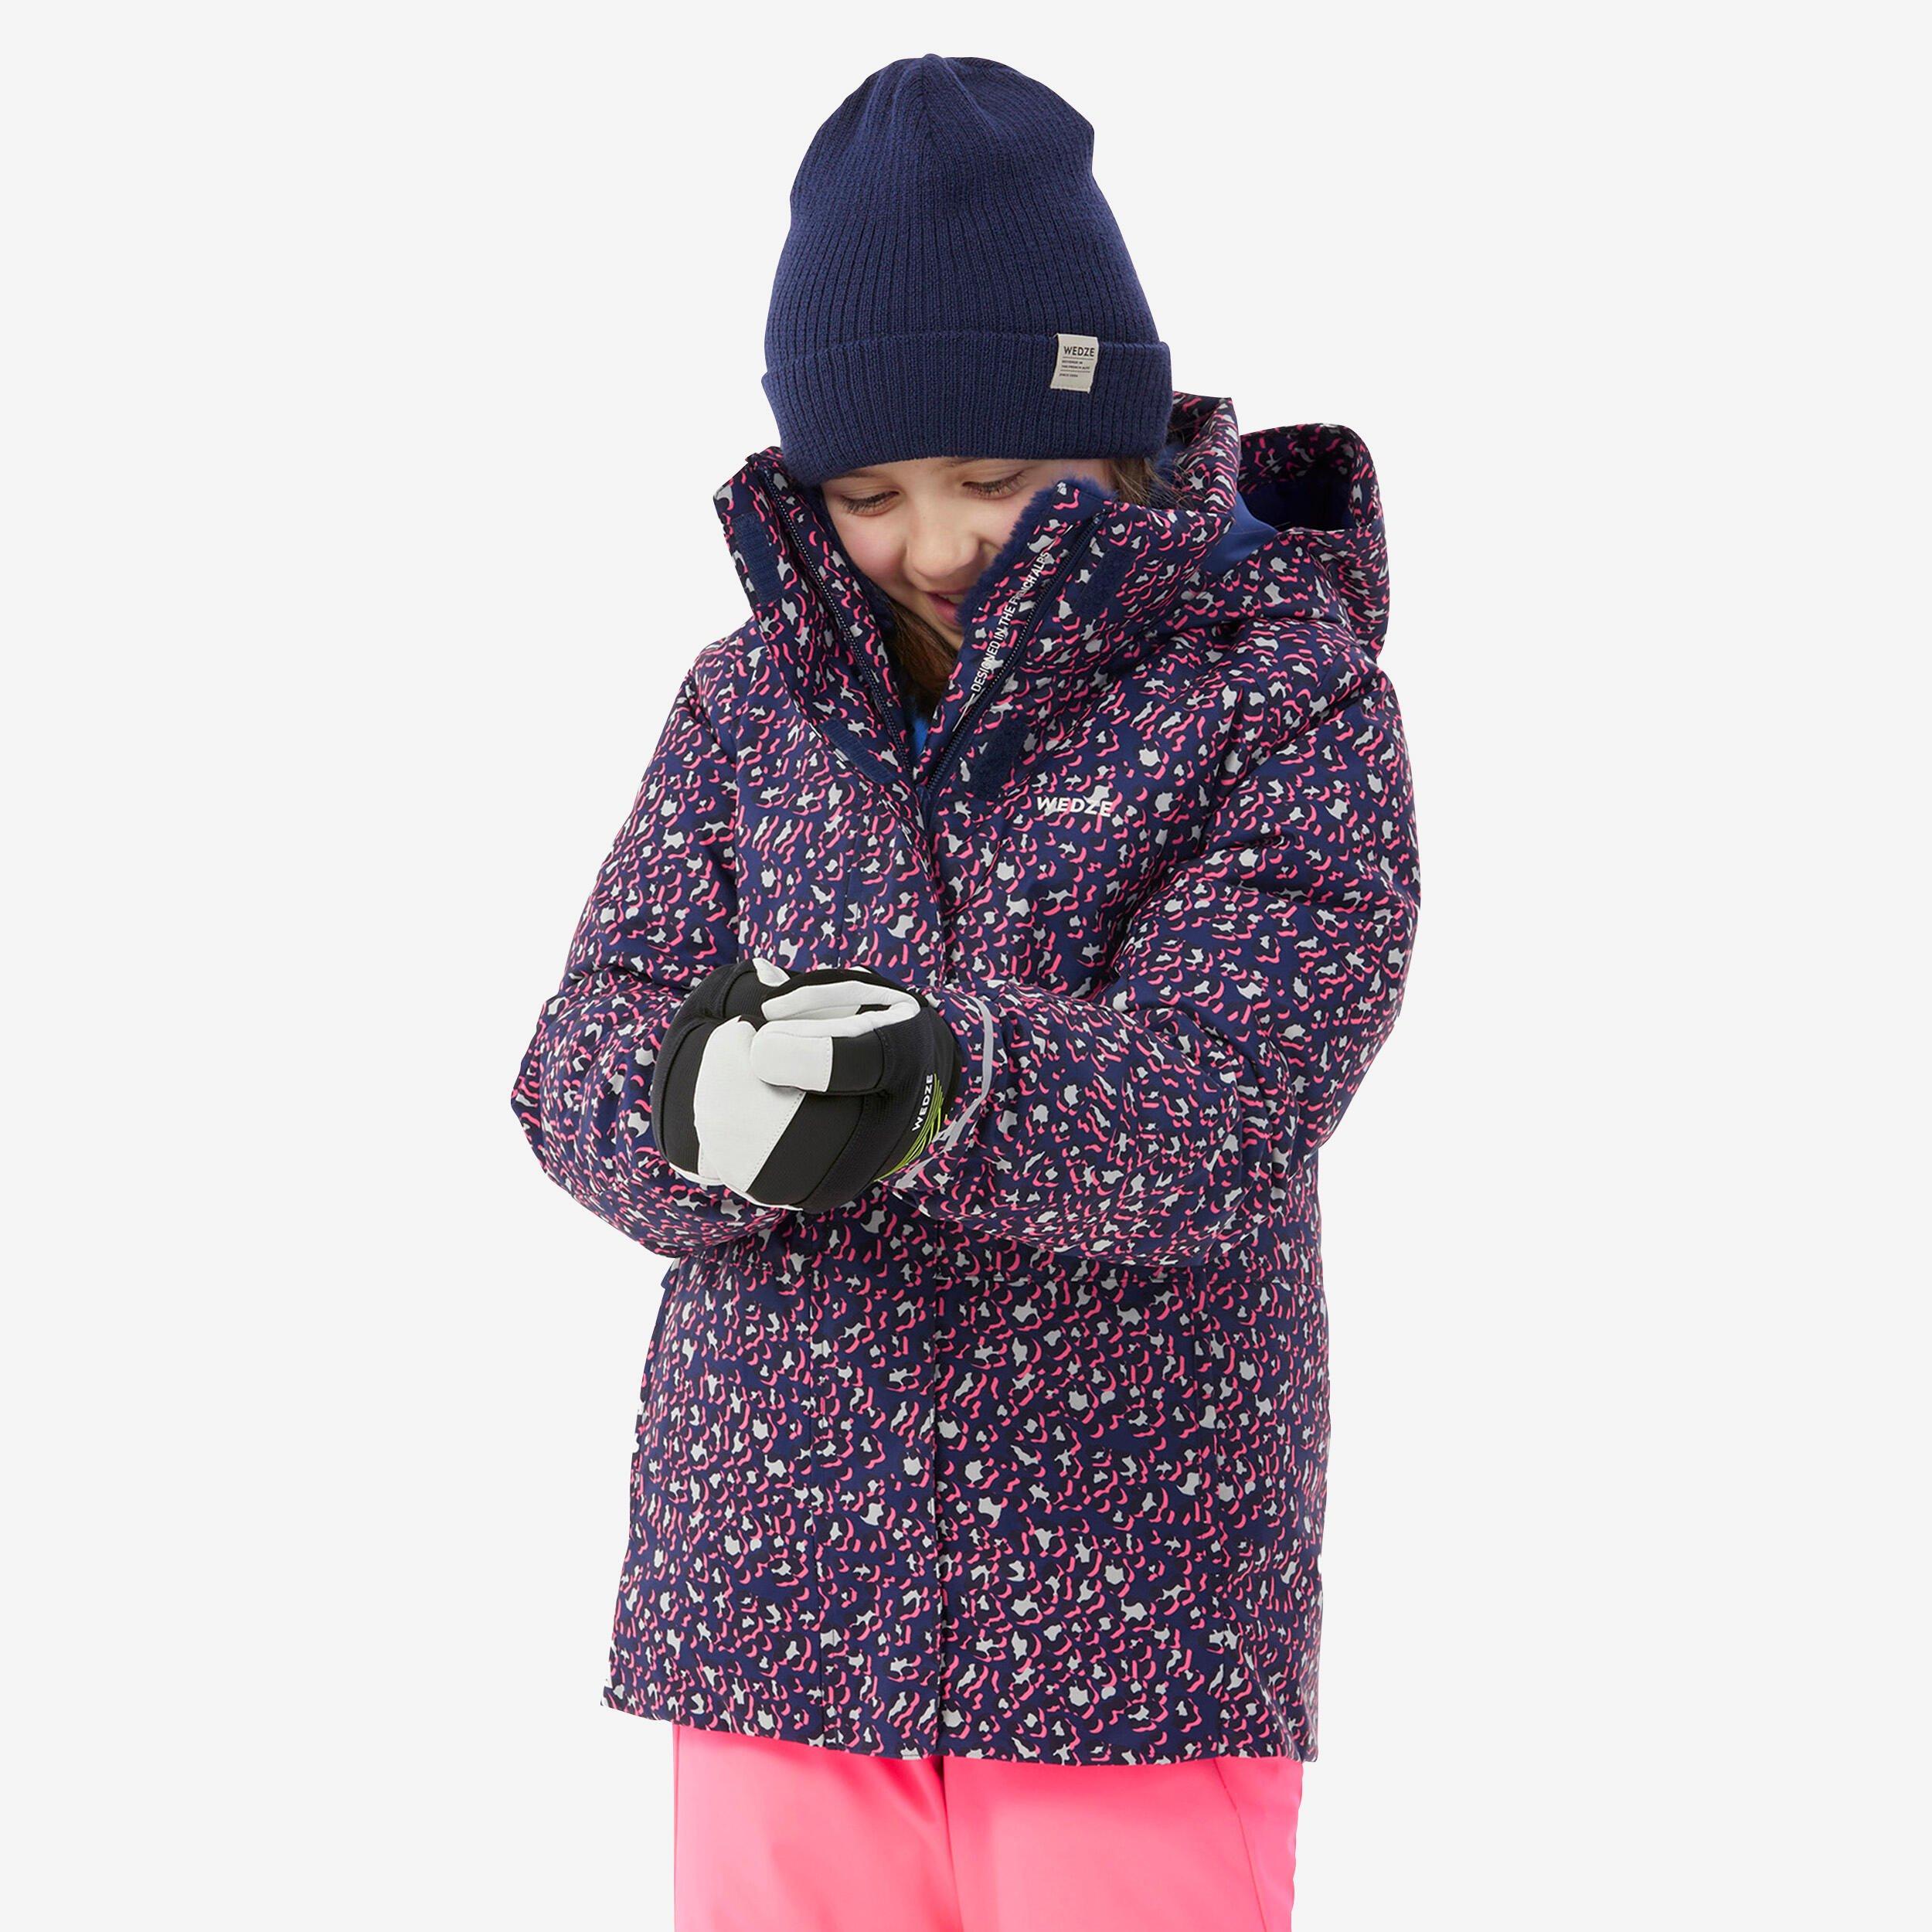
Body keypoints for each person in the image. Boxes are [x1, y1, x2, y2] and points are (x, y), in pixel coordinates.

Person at [511, 52, 1420, 1932]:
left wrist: (944, 1077)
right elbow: (581, 1039)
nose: (930, 541)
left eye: (995, 480)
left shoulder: (1274, 693)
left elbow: (1227, 1104)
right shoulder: (747, 703)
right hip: (772, 1593)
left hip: (1128, 1615)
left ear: (1112, 431)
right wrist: (694, 1102)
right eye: (868, 491)